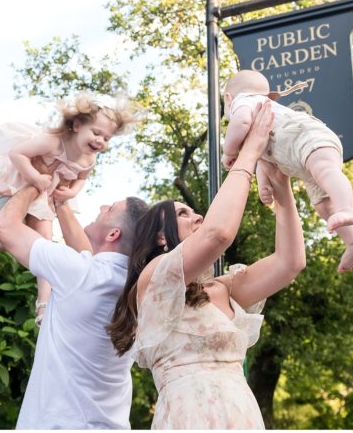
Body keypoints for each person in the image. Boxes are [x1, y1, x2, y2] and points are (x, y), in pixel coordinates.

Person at [108, 100, 306, 429]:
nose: (197, 215)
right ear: (160, 238)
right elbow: (219, 233)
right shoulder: (153, 281)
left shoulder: (224, 288)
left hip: (241, 415)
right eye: (183, 214)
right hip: (190, 417)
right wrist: (249, 152)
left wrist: (281, 187)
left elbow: (290, 262)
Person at [0, 94, 137, 324]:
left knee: (44, 242)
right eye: (96, 133)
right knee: (9, 234)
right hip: (20, 186)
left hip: (45, 197)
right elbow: (16, 153)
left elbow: (81, 178)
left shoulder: (89, 159)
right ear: (77, 125)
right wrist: (35, 177)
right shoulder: (53, 142)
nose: (100, 141)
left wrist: (72, 192)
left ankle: (43, 303)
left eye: (107, 138)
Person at [0, 177, 149, 430]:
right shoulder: (134, 286)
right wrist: (60, 202)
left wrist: (35, 181)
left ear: (113, 234)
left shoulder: (81, 273)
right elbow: (89, 253)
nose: (101, 207)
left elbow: (4, 227)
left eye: (109, 209)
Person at [221, 69, 353, 272]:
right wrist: (264, 185)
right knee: (322, 205)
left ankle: (346, 209)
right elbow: (264, 159)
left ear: (228, 98)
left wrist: (228, 151)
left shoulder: (244, 101)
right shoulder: (260, 121)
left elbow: (241, 121)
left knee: (326, 171)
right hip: (300, 160)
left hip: (306, 137)